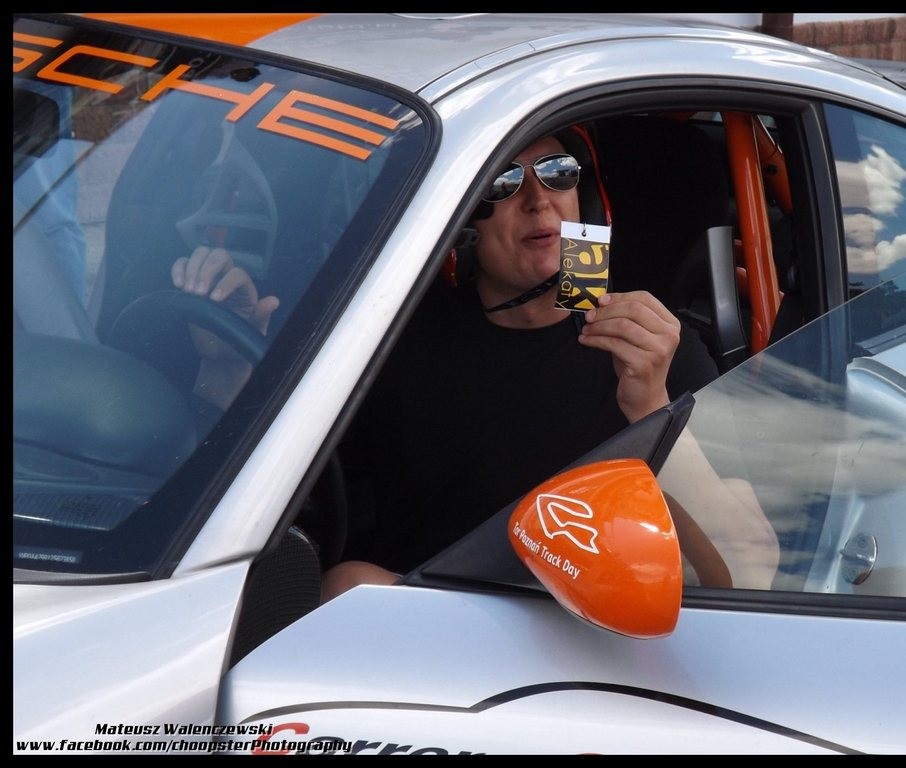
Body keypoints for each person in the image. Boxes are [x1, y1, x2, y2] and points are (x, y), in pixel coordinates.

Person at [172, 130, 779, 602]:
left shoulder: (656, 347)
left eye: (559, 173)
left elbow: (750, 568)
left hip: (582, 641)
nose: (539, 200)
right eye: (503, 182)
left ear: (585, 200)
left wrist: (651, 410)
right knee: (349, 585)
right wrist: (227, 368)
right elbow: (272, 496)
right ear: (461, 221)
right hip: (425, 628)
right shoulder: (393, 338)